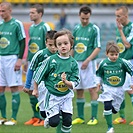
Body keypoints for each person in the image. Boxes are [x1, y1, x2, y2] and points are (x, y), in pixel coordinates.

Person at [32, 29, 80, 133]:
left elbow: (76, 80)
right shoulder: (50, 60)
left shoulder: (73, 63)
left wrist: (67, 83)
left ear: (71, 45)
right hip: (52, 96)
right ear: (56, 46)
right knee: (54, 122)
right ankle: (47, 116)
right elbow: (38, 74)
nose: (63, 46)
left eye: (65, 43)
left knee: (67, 121)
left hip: (66, 96)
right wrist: (35, 89)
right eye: (59, 44)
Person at [71, 5, 101, 125]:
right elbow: (73, 47)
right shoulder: (76, 28)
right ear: (79, 16)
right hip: (77, 63)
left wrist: (88, 60)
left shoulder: (94, 29)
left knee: (92, 89)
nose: (84, 20)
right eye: (83, 18)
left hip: (89, 64)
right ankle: (81, 117)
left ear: (89, 17)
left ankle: (94, 117)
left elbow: (98, 47)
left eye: (87, 19)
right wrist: (71, 61)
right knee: (79, 89)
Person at [96, 41, 133, 133]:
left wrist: (132, 82)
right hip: (107, 88)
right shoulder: (103, 63)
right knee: (107, 104)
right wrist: (98, 83)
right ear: (107, 54)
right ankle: (110, 128)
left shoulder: (123, 62)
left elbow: (132, 71)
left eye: (116, 54)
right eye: (112, 54)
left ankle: (108, 111)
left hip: (119, 89)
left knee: (115, 110)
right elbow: (99, 74)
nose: (114, 56)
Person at [23, 4, 51, 126]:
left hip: (42, 63)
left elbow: (50, 45)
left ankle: (42, 117)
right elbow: (31, 45)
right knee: (30, 90)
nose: (31, 15)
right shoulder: (32, 27)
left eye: (33, 13)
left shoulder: (45, 26)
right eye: (30, 13)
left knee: (40, 90)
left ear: (40, 14)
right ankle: (35, 116)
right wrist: (27, 61)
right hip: (32, 61)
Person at [0, 2, 26, 125]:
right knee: (0, 88)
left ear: (10, 11)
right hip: (1, 58)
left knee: (14, 87)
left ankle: (14, 118)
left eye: (3, 11)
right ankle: (3, 117)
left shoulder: (17, 24)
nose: (1, 13)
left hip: (12, 58)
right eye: (0, 11)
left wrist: (19, 59)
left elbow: (22, 41)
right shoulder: (0, 24)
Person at [23, 30, 57, 119]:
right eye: (50, 45)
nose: (53, 48)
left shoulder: (61, 54)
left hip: (56, 84)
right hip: (42, 84)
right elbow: (31, 69)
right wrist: (27, 85)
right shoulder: (40, 54)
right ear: (46, 43)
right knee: (43, 106)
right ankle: (40, 118)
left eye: (55, 45)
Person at [113, 6, 133, 125]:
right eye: (116, 16)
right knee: (119, 89)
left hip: (130, 62)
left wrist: (120, 30)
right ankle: (122, 117)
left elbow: (127, 45)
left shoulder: (131, 27)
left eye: (119, 16)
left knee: (131, 90)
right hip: (121, 61)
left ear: (125, 16)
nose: (117, 18)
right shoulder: (118, 28)